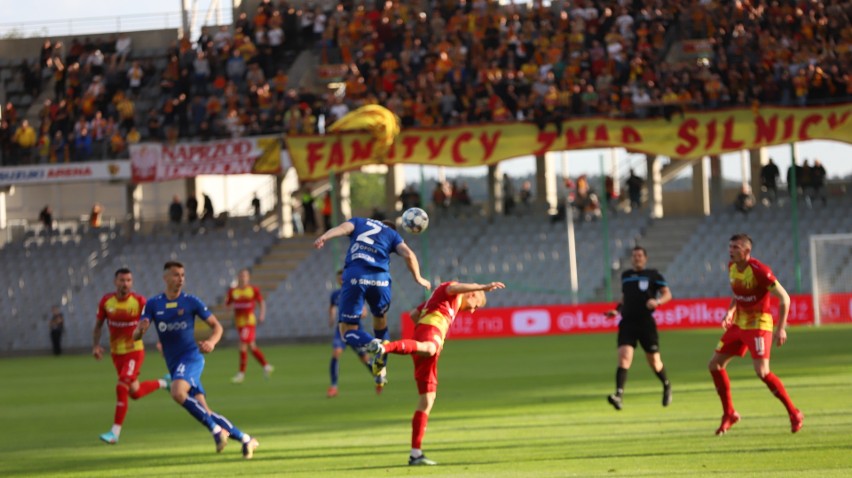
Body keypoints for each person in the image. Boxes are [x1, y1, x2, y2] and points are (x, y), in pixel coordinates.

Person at [368, 280, 505, 466]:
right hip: (429, 335)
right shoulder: (452, 291)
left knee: (427, 399)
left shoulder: (445, 302)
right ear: (472, 294)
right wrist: (482, 287)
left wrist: (424, 332)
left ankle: (415, 454)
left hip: (425, 337)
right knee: (430, 348)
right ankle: (385, 347)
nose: (473, 311)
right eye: (476, 306)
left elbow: (414, 314)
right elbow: (452, 288)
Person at [133, 261, 260, 458]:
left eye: (182, 275)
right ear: (165, 278)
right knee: (205, 410)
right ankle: (245, 439)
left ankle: (216, 431)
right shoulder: (153, 304)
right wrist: (139, 332)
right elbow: (136, 335)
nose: (180, 279)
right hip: (176, 365)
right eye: (176, 275)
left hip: (191, 358)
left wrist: (211, 342)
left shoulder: (191, 301)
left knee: (176, 392)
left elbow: (217, 327)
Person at [314, 217, 431, 390]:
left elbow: (342, 228)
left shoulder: (360, 222)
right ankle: (381, 370)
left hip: (356, 275)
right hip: (381, 280)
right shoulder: (392, 235)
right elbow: (409, 254)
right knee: (380, 322)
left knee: (346, 330)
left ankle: (371, 344)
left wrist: (325, 236)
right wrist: (418, 277)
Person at [708, 234, 803, 435]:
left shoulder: (760, 271)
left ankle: (794, 413)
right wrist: (730, 311)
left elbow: (785, 298)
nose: (731, 250)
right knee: (715, 365)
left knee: (762, 372)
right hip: (738, 325)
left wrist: (781, 328)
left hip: (759, 325)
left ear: (747, 251)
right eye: (730, 246)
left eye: (735, 247)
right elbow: (738, 293)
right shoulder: (732, 267)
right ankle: (729, 413)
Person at [93, 268, 170, 444]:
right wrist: (96, 346)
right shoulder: (107, 302)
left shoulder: (139, 301)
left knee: (121, 387)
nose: (125, 284)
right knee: (134, 392)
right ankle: (164, 382)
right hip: (117, 354)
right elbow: (98, 325)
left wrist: (162, 341)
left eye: (128, 280)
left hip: (134, 352)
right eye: (122, 280)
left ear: (132, 283)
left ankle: (114, 433)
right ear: (115, 282)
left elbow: (156, 319)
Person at [605, 246, 672, 411]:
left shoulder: (653, 275)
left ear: (645, 258)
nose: (637, 258)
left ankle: (666, 385)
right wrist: (617, 310)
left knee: (655, 362)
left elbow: (667, 294)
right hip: (627, 323)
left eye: (640, 255)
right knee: (624, 358)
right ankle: (618, 395)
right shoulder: (626, 276)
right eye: (634, 256)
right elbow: (625, 298)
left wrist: (658, 302)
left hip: (645, 324)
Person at [327, 269, 374, 398]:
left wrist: (361, 314)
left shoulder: (354, 291)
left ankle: (378, 375)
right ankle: (333, 386)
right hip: (340, 329)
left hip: (355, 329)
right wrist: (331, 318)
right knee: (336, 353)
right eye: (339, 278)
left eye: (342, 277)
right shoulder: (335, 294)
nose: (341, 280)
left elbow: (364, 312)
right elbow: (331, 307)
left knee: (364, 358)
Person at [225, 269, 273, 383]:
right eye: (241, 276)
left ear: (248, 278)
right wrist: (229, 308)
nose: (243, 278)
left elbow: (261, 302)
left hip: (249, 322)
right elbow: (227, 304)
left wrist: (261, 315)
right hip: (239, 323)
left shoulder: (253, 290)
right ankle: (266, 366)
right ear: (238, 277)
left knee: (242, 345)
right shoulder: (233, 291)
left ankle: (241, 374)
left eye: (245, 276)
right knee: (252, 347)